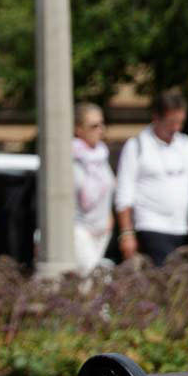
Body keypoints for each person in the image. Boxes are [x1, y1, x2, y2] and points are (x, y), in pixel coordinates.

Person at [115, 90, 188, 265]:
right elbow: (124, 192)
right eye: (171, 123)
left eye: (180, 123)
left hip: (180, 228)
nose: (176, 128)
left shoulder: (186, 145)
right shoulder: (137, 146)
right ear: (156, 118)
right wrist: (127, 233)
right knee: (167, 281)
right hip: (150, 227)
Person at [72, 102, 114, 273]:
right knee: (93, 277)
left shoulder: (101, 154)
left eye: (101, 124)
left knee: (88, 282)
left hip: (102, 231)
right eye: (94, 126)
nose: (100, 130)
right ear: (78, 129)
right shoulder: (69, 156)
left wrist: (109, 218)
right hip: (79, 229)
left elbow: (109, 188)